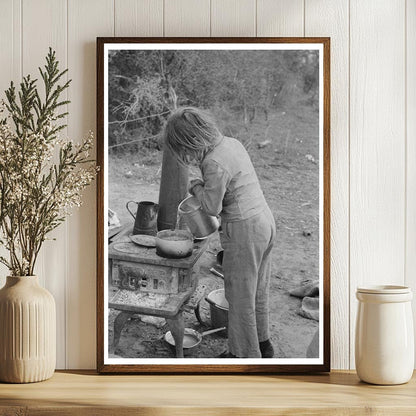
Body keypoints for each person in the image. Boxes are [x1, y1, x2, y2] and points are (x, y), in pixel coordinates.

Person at [164, 107, 276, 358]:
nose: (187, 155)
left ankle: (244, 356)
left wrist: (195, 186)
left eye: (184, 148)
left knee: (239, 295)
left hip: (245, 229)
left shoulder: (213, 161)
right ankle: (263, 343)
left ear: (189, 139)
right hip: (264, 221)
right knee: (257, 288)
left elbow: (211, 208)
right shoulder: (232, 144)